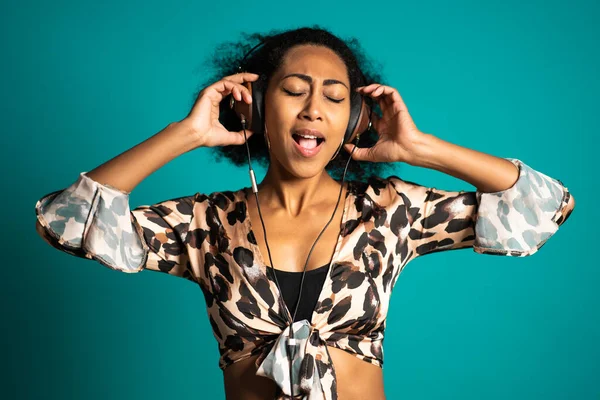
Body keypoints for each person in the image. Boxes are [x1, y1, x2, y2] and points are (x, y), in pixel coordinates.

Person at [34, 26, 576, 400]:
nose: (313, 108)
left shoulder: (390, 211)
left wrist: (420, 148)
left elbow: (545, 206)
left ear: (355, 118)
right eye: (294, 91)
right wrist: (186, 134)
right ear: (253, 104)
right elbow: (66, 220)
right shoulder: (206, 224)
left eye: (335, 97)